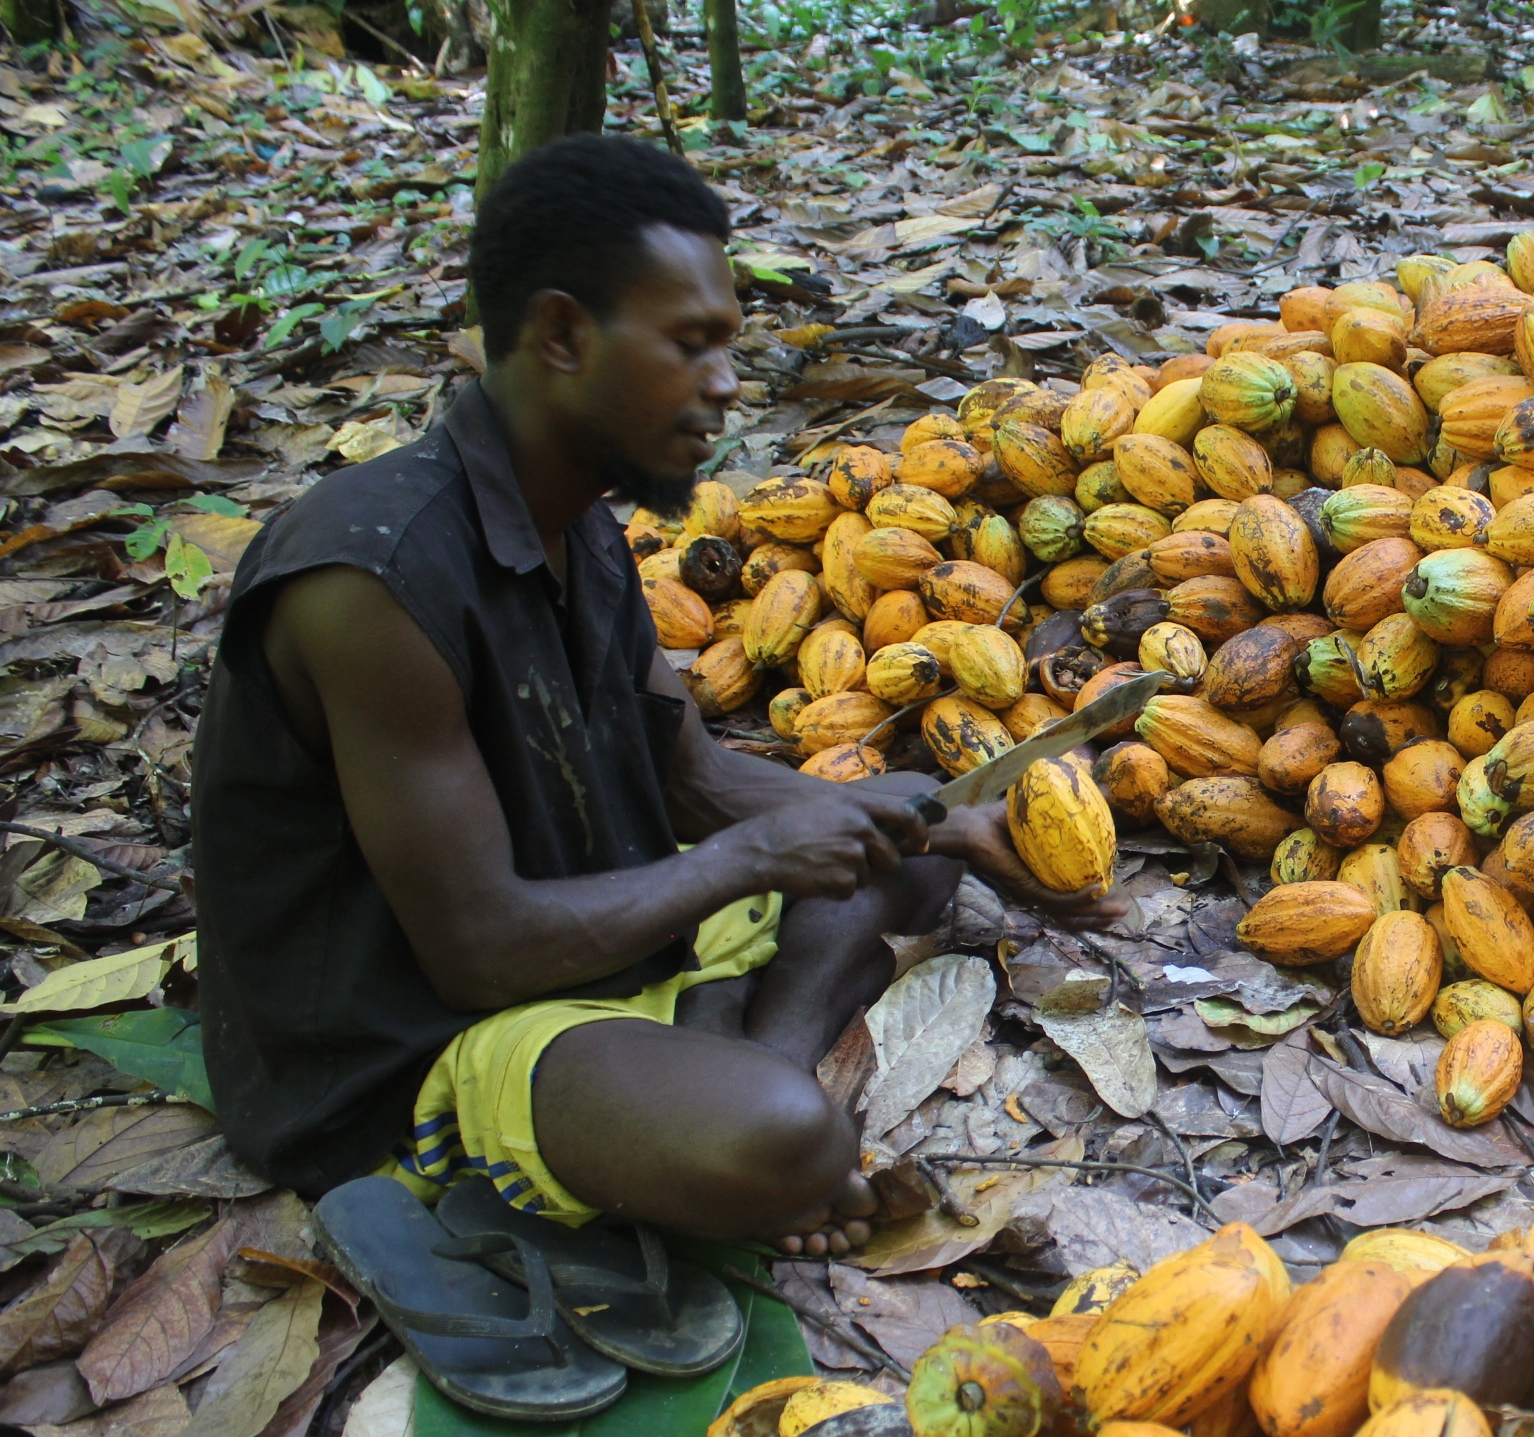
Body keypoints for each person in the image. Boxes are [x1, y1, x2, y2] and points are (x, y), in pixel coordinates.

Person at [192, 133, 1126, 1266]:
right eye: (693, 345)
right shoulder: (365, 581)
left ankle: (755, 1074)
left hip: (595, 936)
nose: (727, 385)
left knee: (906, 832)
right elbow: (477, 952)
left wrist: (938, 822)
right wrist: (754, 861)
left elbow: (687, 773)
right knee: (777, 1137)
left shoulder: (577, 517)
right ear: (563, 333)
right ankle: (758, 1111)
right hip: (419, 1039)